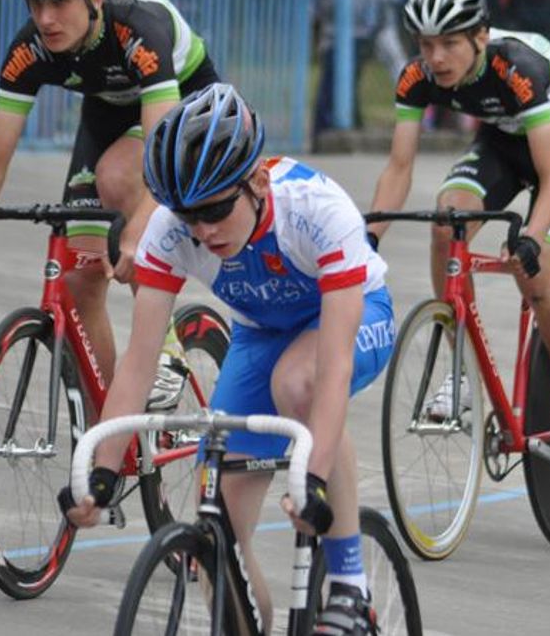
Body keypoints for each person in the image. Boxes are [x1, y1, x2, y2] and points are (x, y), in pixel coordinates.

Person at [62, 83, 396, 635]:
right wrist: (100, 471)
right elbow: (139, 366)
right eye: (188, 215)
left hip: (351, 320)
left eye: (216, 209)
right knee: (218, 544)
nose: (203, 230)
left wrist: (311, 479)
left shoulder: (315, 210)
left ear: (258, 182)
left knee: (299, 382)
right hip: (262, 335)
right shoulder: (172, 233)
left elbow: (333, 368)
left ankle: (349, 584)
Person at [0, 0, 221, 406]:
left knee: (120, 179)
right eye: (35, 3)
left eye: (59, 1)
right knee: (81, 279)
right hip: (108, 111)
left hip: (184, 103)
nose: (45, 18)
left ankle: (167, 351)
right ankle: (112, 435)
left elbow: (159, 157)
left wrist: (139, 233)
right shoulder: (30, 49)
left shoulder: (139, 31)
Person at [366, 0, 550, 481]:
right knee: (444, 224)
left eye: (449, 43)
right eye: (426, 44)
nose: (436, 58)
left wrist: (533, 240)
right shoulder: (416, 76)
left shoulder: (519, 67)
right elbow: (399, 167)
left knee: (534, 274)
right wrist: (370, 237)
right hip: (500, 142)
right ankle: (461, 369)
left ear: (480, 35)